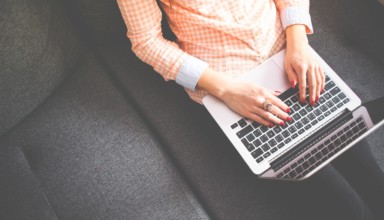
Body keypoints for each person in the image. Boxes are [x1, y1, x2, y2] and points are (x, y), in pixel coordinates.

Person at [117, 0, 384, 219]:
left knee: (371, 178)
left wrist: (299, 42)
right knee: (346, 208)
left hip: (289, 57)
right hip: (231, 90)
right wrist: (227, 90)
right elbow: (147, 41)